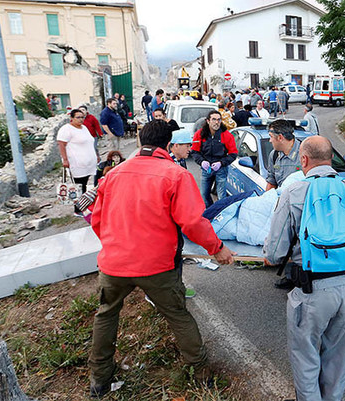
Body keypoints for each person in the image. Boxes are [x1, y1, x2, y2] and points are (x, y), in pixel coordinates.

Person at [88, 119, 235, 398]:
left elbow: (97, 220)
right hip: (157, 266)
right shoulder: (175, 174)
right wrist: (216, 248)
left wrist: (115, 244)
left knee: (106, 316)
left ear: (141, 142)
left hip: (113, 264)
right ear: (168, 145)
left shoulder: (114, 175)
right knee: (178, 315)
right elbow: (192, 222)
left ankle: (99, 378)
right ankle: (201, 372)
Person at [264, 135, 345, 401]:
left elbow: (274, 253)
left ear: (303, 160)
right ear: (332, 160)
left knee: (305, 357)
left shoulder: (294, 193)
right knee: (338, 356)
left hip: (311, 291)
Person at [191, 110, 238, 207]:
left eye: (219, 120)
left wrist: (221, 163)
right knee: (204, 195)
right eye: (214, 119)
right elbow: (194, 152)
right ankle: (211, 210)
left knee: (221, 197)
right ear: (208, 121)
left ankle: (220, 214)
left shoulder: (227, 135)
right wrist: (202, 162)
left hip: (221, 169)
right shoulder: (200, 134)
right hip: (206, 169)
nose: (217, 122)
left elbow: (233, 153)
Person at [57, 108, 98, 194]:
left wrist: (96, 155)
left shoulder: (84, 128)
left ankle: (82, 205)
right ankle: (78, 206)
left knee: (84, 186)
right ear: (71, 118)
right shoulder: (66, 129)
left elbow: (89, 142)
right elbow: (61, 144)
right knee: (78, 188)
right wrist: (65, 159)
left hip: (88, 163)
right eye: (78, 117)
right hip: (77, 164)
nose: (81, 119)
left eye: (82, 117)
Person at [266, 119, 302, 191]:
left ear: (280, 137)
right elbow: (272, 182)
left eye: (271, 136)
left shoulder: (305, 153)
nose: (270, 140)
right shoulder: (274, 155)